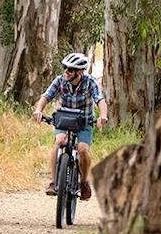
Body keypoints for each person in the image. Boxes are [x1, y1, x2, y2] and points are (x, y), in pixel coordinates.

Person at [31, 51, 107, 201]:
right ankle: (53, 182)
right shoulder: (60, 80)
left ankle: (84, 181)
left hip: (84, 122)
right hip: (64, 120)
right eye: (65, 68)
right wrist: (39, 110)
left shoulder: (90, 82)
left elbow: (100, 100)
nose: (66, 72)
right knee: (59, 141)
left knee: (83, 149)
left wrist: (103, 115)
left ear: (79, 72)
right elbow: (46, 96)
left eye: (70, 69)